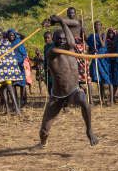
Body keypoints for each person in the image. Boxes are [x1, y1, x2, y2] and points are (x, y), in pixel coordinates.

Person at [33, 14, 97, 149]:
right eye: (58, 39)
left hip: (73, 91)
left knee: (84, 101)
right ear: (53, 41)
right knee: (44, 131)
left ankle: (89, 130)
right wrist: (61, 21)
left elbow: (76, 23)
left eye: (63, 38)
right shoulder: (51, 52)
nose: (61, 41)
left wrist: (55, 22)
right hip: (57, 97)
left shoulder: (71, 49)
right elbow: (71, 42)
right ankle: (42, 144)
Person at [0, 28, 20, 115]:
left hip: (7, 71)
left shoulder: (7, 44)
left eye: (0, 35)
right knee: (2, 91)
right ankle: (7, 109)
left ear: (2, 35)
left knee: (10, 89)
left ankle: (17, 109)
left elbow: (11, 57)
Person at [87, 21, 113, 105]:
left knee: (107, 79)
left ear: (101, 26)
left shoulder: (103, 35)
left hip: (104, 59)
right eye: (96, 25)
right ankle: (101, 99)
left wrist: (98, 34)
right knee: (99, 80)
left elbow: (102, 45)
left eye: (99, 25)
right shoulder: (92, 36)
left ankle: (111, 100)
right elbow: (88, 50)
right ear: (94, 26)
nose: (97, 26)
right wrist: (92, 51)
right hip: (96, 59)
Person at [7, 29, 29, 108]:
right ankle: (15, 102)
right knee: (14, 85)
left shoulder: (19, 41)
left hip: (20, 65)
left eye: (12, 35)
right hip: (12, 67)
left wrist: (16, 32)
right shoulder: (8, 43)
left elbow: (23, 35)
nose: (11, 36)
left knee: (22, 84)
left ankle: (24, 102)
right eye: (9, 35)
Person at [43, 32, 54, 96]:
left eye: (48, 38)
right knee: (48, 84)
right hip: (46, 69)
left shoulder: (53, 46)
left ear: (51, 38)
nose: (46, 39)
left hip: (51, 68)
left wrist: (49, 67)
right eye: (45, 38)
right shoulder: (46, 47)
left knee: (52, 83)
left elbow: (53, 58)